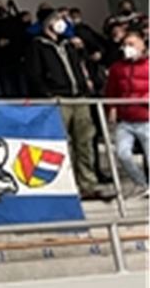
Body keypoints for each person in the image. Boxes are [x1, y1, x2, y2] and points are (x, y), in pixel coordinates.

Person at [25, 11, 106, 200]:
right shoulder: (37, 45)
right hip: (58, 99)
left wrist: (81, 52)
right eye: (56, 19)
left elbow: (83, 64)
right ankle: (68, 184)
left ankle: (88, 183)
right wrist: (48, 93)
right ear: (47, 24)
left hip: (79, 97)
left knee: (85, 141)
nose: (61, 23)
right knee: (64, 143)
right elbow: (34, 73)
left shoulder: (68, 44)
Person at [104, 31, 149, 197]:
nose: (128, 48)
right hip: (126, 120)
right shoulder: (117, 68)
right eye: (125, 44)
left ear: (142, 44)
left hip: (146, 118)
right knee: (122, 154)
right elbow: (111, 91)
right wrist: (111, 109)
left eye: (132, 44)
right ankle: (141, 184)